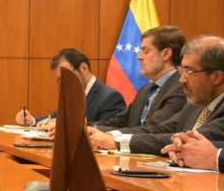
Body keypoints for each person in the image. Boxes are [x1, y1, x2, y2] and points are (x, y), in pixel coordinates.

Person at [90, 36, 224, 155]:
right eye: (182, 70)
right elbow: (159, 130)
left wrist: (117, 142)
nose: (181, 79)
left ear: (216, 77)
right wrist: (110, 136)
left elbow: (190, 142)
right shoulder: (195, 105)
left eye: (189, 71)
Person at [93, 26, 187, 130]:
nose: (139, 57)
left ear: (166, 54)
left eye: (146, 52)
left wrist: (110, 136)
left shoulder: (181, 88)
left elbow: (153, 129)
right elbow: (118, 123)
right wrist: (86, 128)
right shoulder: (146, 89)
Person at [15, 47, 125, 128]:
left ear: (84, 68)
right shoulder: (73, 94)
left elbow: (108, 129)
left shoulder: (110, 97)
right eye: (60, 79)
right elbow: (56, 117)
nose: (64, 83)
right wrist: (31, 120)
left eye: (67, 76)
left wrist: (64, 126)